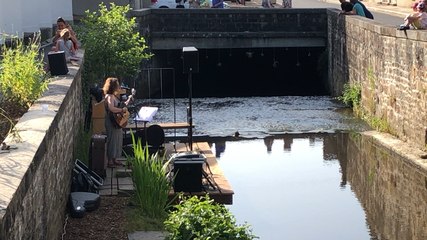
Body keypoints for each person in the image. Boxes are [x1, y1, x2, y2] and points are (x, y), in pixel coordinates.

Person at [103, 77, 133, 167]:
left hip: (116, 122)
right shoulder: (109, 96)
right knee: (112, 139)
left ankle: (115, 158)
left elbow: (122, 106)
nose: (119, 86)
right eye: (117, 85)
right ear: (113, 86)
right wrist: (121, 110)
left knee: (117, 139)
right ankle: (110, 161)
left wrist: (128, 100)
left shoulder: (114, 96)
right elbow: (111, 108)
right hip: (111, 121)